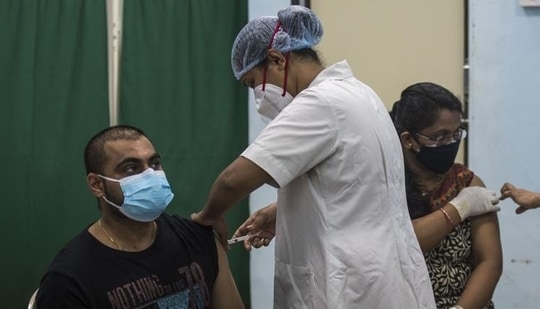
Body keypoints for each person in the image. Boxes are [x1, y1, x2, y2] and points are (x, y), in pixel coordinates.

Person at [192, 5, 436, 308]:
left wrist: (208, 217)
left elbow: (234, 180)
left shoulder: (319, 103)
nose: (257, 95)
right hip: (386, 277)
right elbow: (355, 188)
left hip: (347, 285)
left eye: (253, 83)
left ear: (277, 59)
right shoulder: (361, 93)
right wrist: (284, 210)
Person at [36, 125, 244, 309]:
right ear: (97, 185)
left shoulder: (198, 238)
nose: (150, 175)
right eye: (131, 168)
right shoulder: (70, 279)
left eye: (154, 163)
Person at [390, 82, 502, 309]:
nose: (451, 143)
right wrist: (459, 208)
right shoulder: (388, 186)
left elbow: (490, 262)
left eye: (456, 133)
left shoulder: (467, 183)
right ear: (408, 140)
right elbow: (400, 246)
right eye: (440, 136)